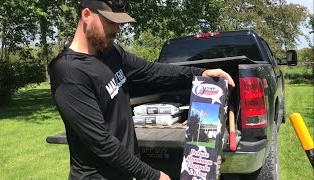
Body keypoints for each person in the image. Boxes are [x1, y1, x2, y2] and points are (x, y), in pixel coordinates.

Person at [48, 0, 235, 179]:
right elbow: (101, 142)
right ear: (87, 15)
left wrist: (201, 73)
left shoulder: (111, 52)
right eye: (111, 22)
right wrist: (152, 175)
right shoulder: (68, 72)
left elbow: (152, 71)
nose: (117, 29)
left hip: (123, 173)